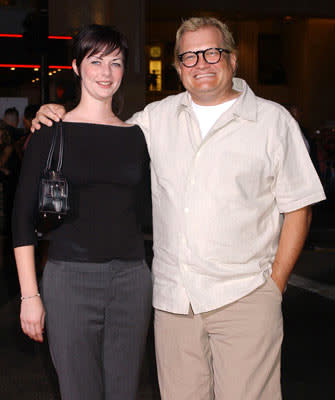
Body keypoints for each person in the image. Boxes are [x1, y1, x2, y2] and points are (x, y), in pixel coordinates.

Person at [32, 17, 326, 400]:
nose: (200, 63)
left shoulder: (271, 121)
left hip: (244, 297)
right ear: (177, 67)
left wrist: (275, 285)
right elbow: (102, 134)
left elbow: (298, 206)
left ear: (233, 60)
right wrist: (56, 116)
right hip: (175, 304)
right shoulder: (157, 118)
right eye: (188, 56)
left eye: (211, 52)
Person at [12, 24, 152, 400]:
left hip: (132, 282)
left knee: (124, 392)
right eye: (96, 61)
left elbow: (146, 212)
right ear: (76, 67)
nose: (106, 73)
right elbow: (21, 219)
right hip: (69, 281)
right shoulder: (50, 131)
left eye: (116, 63)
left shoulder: (136, 136)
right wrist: (29, 296)